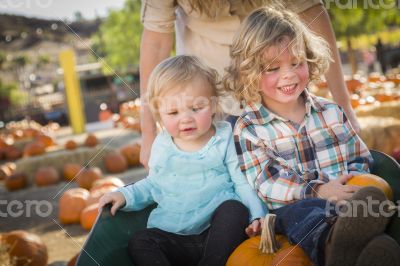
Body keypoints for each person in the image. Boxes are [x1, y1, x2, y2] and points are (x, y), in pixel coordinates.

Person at [224, 7, 400, 266]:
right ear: (248, 73)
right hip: (295, 214)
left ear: (309, 59)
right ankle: (332, 245)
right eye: (273, 68)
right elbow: (266, 183)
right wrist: (318, 190)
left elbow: (359, 157)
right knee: (306, 211)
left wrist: (350, 183)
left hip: (348, 203)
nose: (289, 74)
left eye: (297, 63)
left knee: (374, 204)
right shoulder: (249, 127)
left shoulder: (330, 112)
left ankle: (367, 250)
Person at [139, 0, 361, 169]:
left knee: (295, 151)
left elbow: (311, 12)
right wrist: (148, 133)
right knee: (222, 164)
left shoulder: (325, 111)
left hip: (275, 52)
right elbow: (156, 42)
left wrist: (344, 106)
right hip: (208, 74)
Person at [98, 55, 269, 266]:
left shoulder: (224, 138)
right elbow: (153, 184)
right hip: (174, 236)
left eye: (196, 109)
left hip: (217, 235)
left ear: (214, 104)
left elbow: (241, 181)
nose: (186, 118)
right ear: (159, 114)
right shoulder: (162, 146)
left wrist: (258, 215)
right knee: (140, 241)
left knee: (234, 210)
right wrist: (125, 195)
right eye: (173, 112)